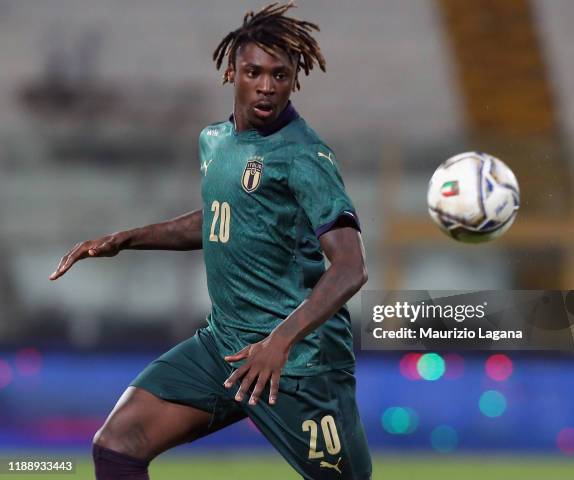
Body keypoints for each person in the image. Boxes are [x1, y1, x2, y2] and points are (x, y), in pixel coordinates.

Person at [49, 2, 372, 479]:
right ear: (231, 72)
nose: (266, 86)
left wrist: (278, 343)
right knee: (119, 443)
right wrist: (127, 238)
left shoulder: (304, 156)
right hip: (224, 346)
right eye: (254, 72)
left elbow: (351, 266)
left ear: (294, 79)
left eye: (280, 75)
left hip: (297, 364)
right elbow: (224, 218)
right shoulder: (216, 141)